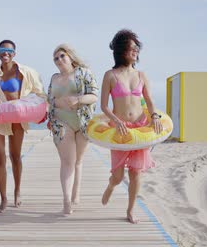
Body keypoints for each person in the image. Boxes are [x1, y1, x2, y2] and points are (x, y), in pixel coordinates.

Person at [0, 40, 46, 213]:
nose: (5, 53)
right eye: (2, 50)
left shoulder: (26, 72)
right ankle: (3, 198)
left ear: (14, 53)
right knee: (0, 157)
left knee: (15, 155)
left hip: (18, 116)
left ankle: (17, 191)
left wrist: (45, 109)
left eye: (8, 50)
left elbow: (39, 92)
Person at [99, 29, 163, 224]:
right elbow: (103, 106)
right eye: (131, 47)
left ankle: (130, 210)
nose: (135, 51)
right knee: (118, 177)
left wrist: (154, 116)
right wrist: (116, 121)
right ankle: (111, 186)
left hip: (139, 127)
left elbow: (149, 100)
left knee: (135, 173)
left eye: (137, 48)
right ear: (121, 50)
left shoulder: (141, 75)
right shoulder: (110, 75)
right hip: (120, 129)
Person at [47, 44, 98, 214]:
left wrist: (79, 99)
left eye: (62, 56)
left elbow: (94, 96)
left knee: (78, 160)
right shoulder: (54, 78)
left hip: (83, 122)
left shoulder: (84, 72)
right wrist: (57, 103)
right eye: (56, 58)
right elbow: (50, 100)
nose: (59, 60)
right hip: (61, 122)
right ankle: (67, 200)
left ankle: (76, 194)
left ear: (70, 56)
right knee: (67, 161)